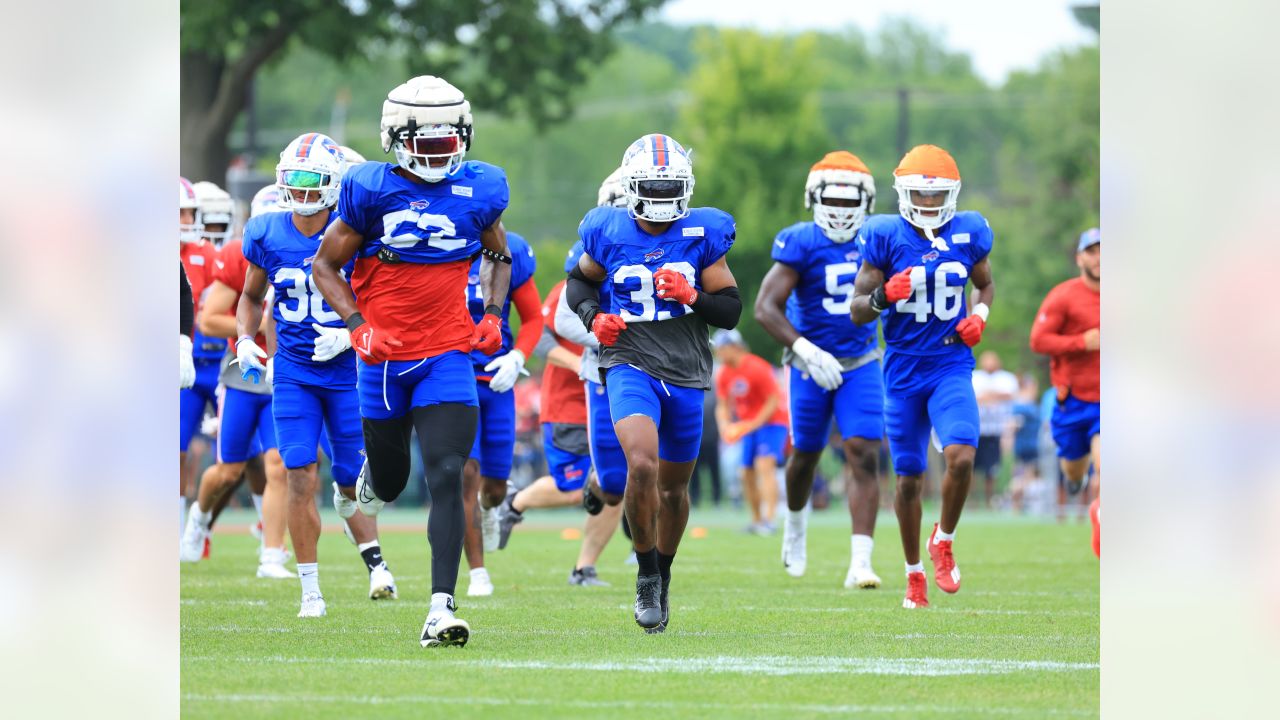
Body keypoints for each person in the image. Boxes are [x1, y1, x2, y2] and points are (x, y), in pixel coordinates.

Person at [312, 75, 512, 648]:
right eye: (423, 144)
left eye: (446, 143)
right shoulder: (369, 189)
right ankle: (372, 479)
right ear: (395, 139)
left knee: (450, 475)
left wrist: (494, 312)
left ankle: (440, 608)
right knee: (393, 481)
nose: (436, 154)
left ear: (464, 137)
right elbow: (325, 266)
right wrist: (356, 325)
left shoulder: (482, 189)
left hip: (447, 352)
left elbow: (498, 252)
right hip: (381, 357)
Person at [566, 133, 741, 633]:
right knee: (641, 463)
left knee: (673, 490)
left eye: (672, 190)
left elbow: (729, 310)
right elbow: (580, 282)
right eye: (653, 189)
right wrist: (593, 316)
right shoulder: (609, 229)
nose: (663, 202)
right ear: (632, 186)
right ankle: (644, 573)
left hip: (686, 369)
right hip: (628, 362)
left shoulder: (703, 233)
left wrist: (691, 295)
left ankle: (662, 573)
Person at [234, 133, 399, 618]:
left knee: (354, 481)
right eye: (295, 180)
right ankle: (310, 590)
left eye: (314, 181)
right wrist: (246, 339)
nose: (303, 191)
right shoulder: (265, 231)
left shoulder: (359, 235)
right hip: (295, 372)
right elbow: (250, 295)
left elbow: (388, 303)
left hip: (350, 371)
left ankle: (373, 556)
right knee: (299, 473)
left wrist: (351, 336)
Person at [850, 144, 995, 610]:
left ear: (952, 195)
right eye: (919, 195)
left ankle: (944, 539)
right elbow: (856, 312)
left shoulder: (970, 231)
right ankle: (914, 574)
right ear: (903, 194)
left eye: (936, 197)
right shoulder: (885, 236)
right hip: (903, 368)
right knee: (909, 478)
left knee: (962, 456)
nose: (929, 205)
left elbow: (984, 282)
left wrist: (982, 315)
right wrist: (881, 299)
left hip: (951, 362)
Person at [753, 150, 885, 587]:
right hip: (810, 363)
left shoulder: (880, 239)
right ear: (814, 198)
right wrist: (807, 351)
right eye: (835, 201)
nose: (842, 211)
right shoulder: (801, 242)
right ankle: (794, 529)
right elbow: (765, 308)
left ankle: (860, 561)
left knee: (864, 452)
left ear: (865, 203)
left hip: (861, 360)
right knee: (805, 455)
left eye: (851, 203)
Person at [182, 197, 290, 578]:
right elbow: (208, 320)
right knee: (228, 470)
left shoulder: (317, 246)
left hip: (288, 373)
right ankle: (199, 516)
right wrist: (257, 329)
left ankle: (272, 555)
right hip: (243, 375)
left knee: (279, 466)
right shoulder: (239, 254)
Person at [460, 229, 542, 597]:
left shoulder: (513, 250)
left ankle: (491, 509)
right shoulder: (440, 244)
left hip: (497, 379)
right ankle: (478, 572)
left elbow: (533, 318)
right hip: (452, 376)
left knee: (492, 487)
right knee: (465, 474)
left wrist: (518, 356)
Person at [1030, 227, 1101, 525]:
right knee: (1073, 468)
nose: (1100, 258)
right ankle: (1076, 480)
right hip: (1072, 400)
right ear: (1079, 259)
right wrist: (1080, 342)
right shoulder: (1064, 297)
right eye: (1092, 251)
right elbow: (1038, 341)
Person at [712, 330, 787, 536]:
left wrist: (752, 424)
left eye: (722, 348)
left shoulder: (756, 367)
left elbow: (773, 400)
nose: (718, 352)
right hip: (749, 425)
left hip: (772, 422)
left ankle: (769, 520)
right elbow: (723, 405)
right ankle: (756, 520)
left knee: (765, 465)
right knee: (746, 472)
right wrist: (725, 426)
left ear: (734, 347)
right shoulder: (725, 372)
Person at [971, 350, 1018, 506]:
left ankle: (989, 499)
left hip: (997, 430)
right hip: (977, 429)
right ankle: (972, 500)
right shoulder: (975, 376)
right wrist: (993, 396)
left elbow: (1010, 395)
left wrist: (988, 396)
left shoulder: (1007, 378)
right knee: (971, 466)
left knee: (992, 468)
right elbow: (973, 396)